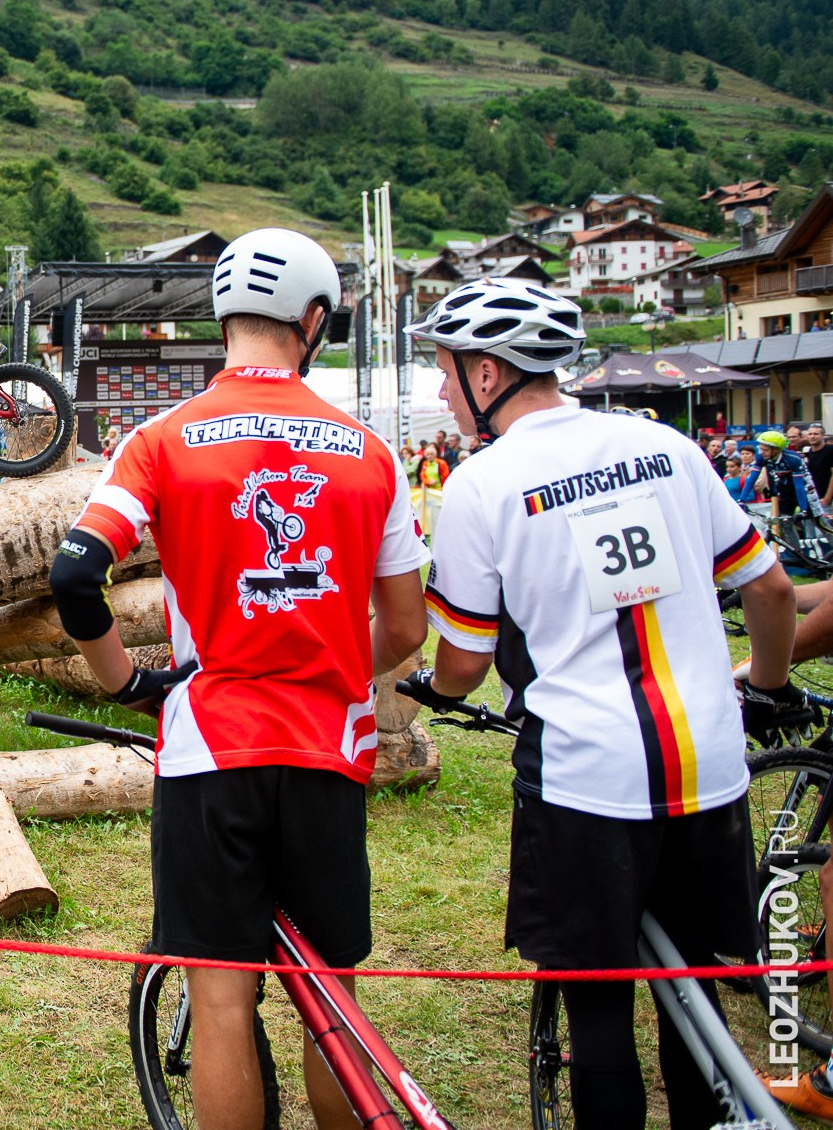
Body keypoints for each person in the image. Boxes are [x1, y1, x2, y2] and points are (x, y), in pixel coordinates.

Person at [48, 227, 429, 1130]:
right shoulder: (370, 450)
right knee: (329, 1004)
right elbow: (407, 628)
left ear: (223, 316)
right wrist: (335, 664)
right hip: (328, 750)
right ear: (314, 319)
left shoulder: (160, 437)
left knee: (222, 1000)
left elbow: (73, 574)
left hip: (209, 747)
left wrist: (123, 680)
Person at [407, 277, 797, 1130]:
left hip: (587, 779)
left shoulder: (484, 482)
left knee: (598, 1008)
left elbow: (465, 663)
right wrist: (766, 684)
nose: (440, 390)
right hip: (710, 760)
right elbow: (768, 588)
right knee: (692, 990)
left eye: (444, 370)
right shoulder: (669, 446)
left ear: (485, 374)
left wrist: (430, 689)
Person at [805, 422, 833, 503]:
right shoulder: (809, 452)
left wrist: (827, 498)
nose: (812, 436)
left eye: (816, 434)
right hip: (814, 498)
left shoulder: (830, 450)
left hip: (828, 500)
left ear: (823, 436)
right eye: (810, 434)